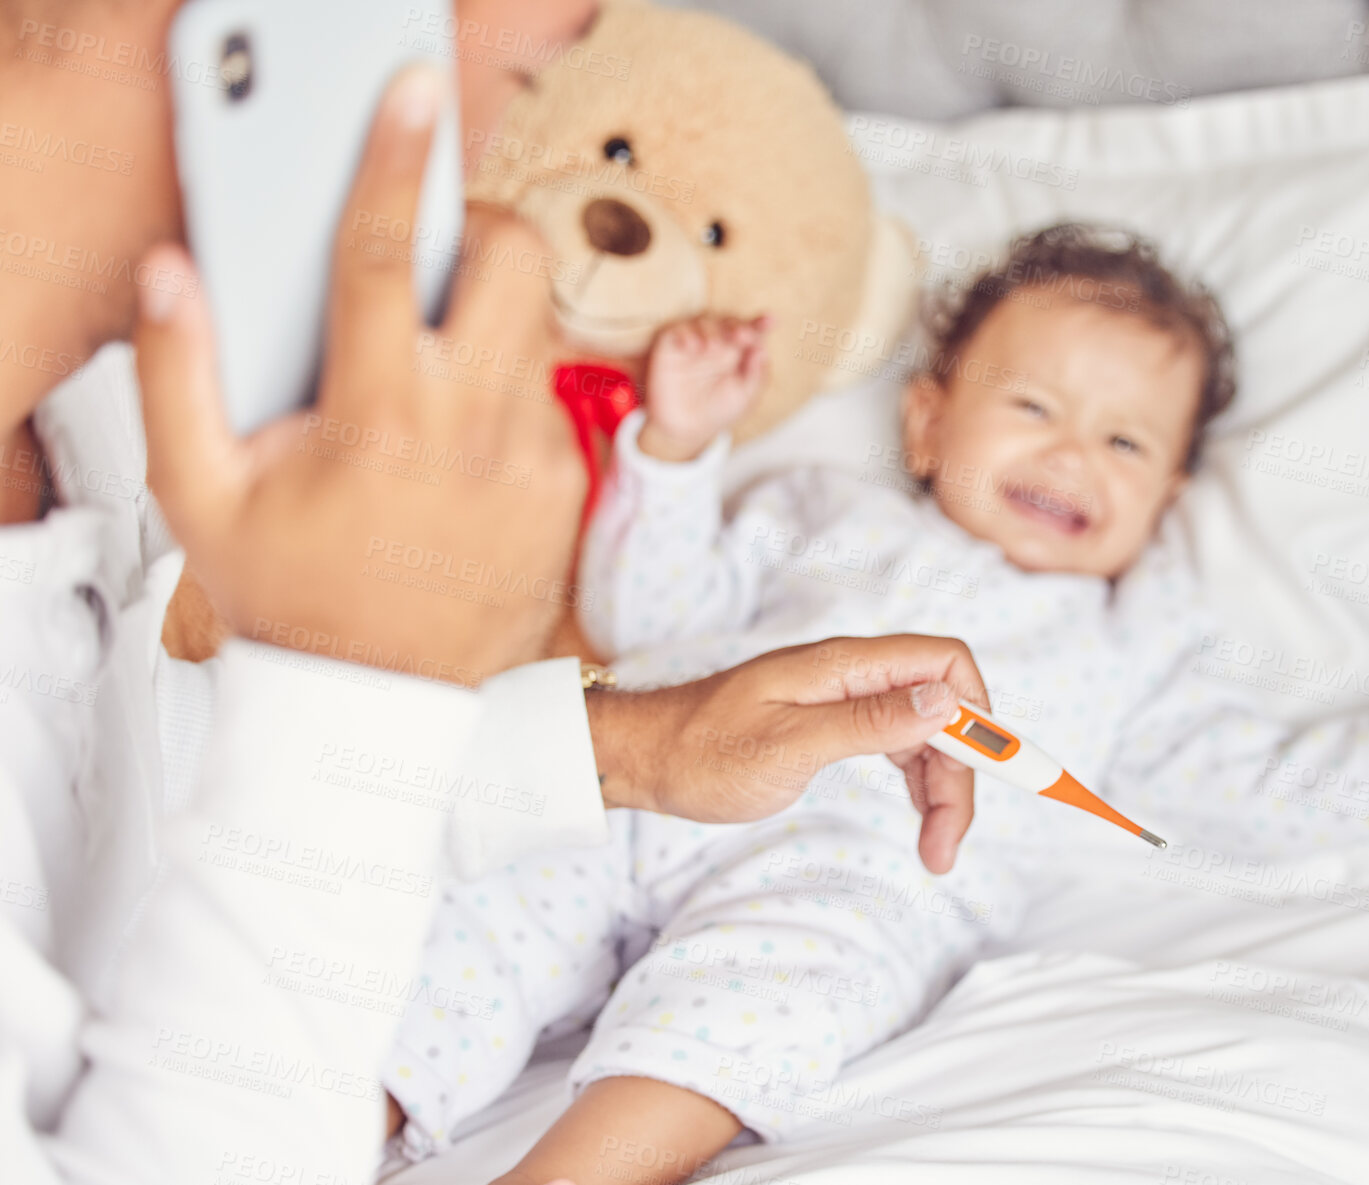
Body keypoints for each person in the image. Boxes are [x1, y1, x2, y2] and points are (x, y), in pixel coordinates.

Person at [382, 225, 1369, 1185]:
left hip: (865, 867)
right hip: (666, 778)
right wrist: (675, 453)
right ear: (926, 423)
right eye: (1034, 409)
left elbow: (1255, 786)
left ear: (1169, 498)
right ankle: (342, 1114)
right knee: (484, 907)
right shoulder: (822, 513)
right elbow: (657, 618)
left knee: (770, 998)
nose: (1074, 456)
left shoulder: (1131, 645)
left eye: (1127, 445)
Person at [0, 2, 989, 1181]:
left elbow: (99, 814)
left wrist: (627, 749)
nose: (488, 178)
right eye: (530, 84)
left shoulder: (97, 421)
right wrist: (352, 676)